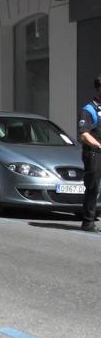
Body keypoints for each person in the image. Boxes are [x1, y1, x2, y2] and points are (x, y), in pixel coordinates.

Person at [78, 75, 101, 232]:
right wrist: (99, 145)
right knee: (92, 187)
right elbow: (84, 134)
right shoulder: (89, 109)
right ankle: (88, 222)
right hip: (94, 152)